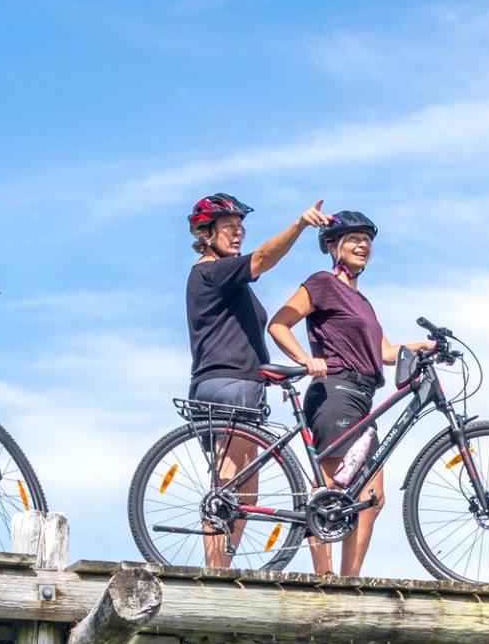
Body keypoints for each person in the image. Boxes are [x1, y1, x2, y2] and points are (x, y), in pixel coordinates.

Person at [266, 211, 426, 578]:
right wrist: (306, 360)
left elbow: (385, 352)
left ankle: (349, 580)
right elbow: (279, 323)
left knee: (370, 498)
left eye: (367, 240)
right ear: (333, 246)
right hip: (334, 390)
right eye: (354, 239)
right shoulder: (322, 283)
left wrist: (425, 347)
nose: (362, 245)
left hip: (363, 397)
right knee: (330, 489)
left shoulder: (363, 302)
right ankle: (324, 580)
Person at [181, 192, 328, 567]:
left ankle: (221, 569)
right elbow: (262, 259)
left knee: (244, 490)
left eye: (241, 227)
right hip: (228, 387)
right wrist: (299, 225)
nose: (238, 233)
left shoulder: (227, 282)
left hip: (240, 385)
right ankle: (214, 573)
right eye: (229, 227)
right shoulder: (211, 271)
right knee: (228, 487)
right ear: (206, 233)